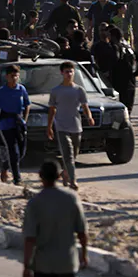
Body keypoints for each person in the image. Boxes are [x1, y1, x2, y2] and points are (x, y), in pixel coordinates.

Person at [22, 159, 88, 277]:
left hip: (43, 266)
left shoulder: (35, 203)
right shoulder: (71, 198)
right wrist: (84, 255)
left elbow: (30, 239)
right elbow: (82, 232)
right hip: (66, 263)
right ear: (60, 176)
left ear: (40, 177)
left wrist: (27, 266)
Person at [47, 62, 94, 190]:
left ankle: (65, 173)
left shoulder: (79, 90)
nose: (69, 74)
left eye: (71, 71)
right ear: (62, 73)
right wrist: (49, 126)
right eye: (66, 71)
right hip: (61, 126)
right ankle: (73, 181)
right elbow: (52, 110)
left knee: (75, 154)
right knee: (67, 155)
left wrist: (89, 117)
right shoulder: (56, 91)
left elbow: (85, 106)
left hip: (76, 126)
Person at [0, 65, 30, 185]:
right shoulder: (2, 91)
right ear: (7, 77)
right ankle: (17, 178)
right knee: (12, 150)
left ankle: (5, 166)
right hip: (5, 123)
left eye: (16, 75)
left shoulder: (21, 89)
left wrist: (24, 119)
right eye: (12, 76)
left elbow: (27, 104)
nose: (14, 78)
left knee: (21, 151)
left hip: (18, 122)